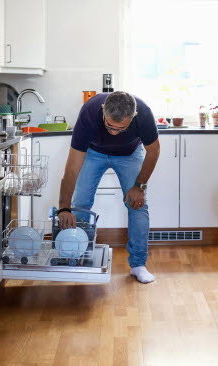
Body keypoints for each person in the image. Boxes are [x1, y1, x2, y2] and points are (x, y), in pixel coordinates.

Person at [57, 91, 160, 283]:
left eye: (120, 129)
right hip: (94, 152)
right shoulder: (89, 113)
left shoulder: (143, 113)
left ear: (134, 117)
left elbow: (154, 151)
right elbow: (72, 168)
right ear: (103, 110)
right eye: (109, 126)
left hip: (129, 153)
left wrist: (139, 186)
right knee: (81, 203)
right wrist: (64, 207)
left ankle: (138, 265)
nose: (113, 132)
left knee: (137, 204)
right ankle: (77, 257)